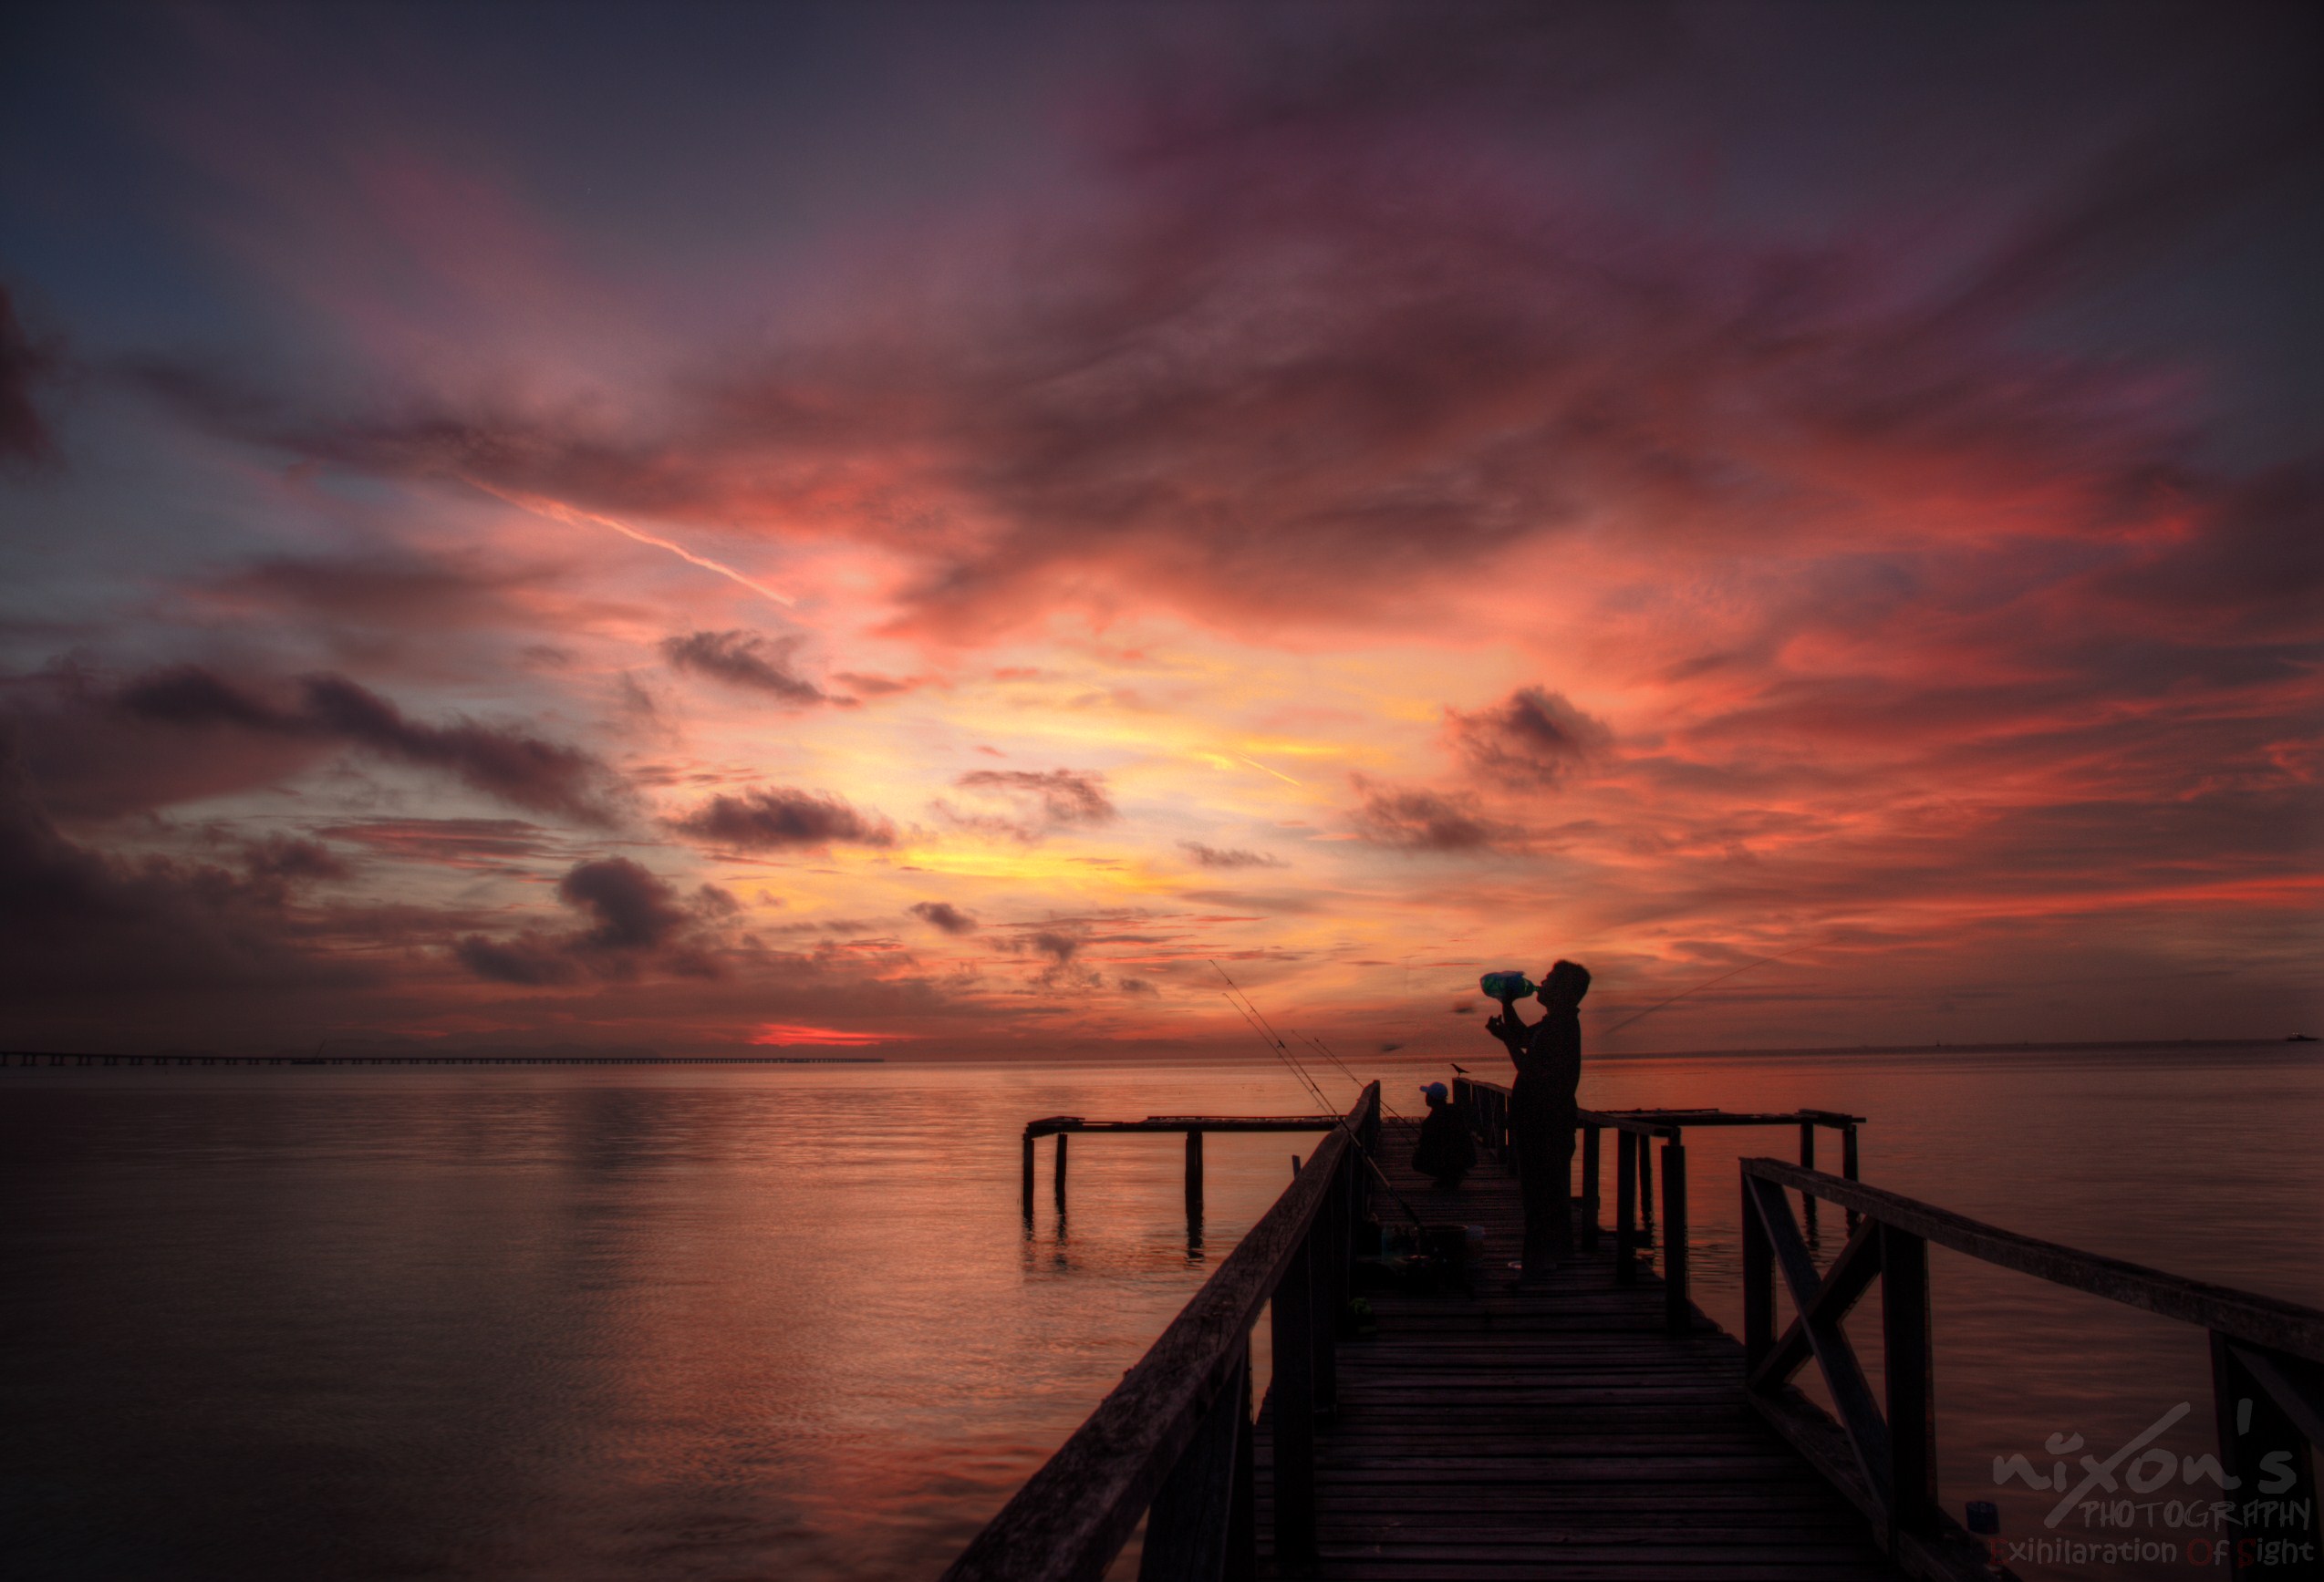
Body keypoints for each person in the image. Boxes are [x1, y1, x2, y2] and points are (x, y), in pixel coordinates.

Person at [1485, 959, 1591, 1283]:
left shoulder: (1560, 1028)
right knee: (1550, 1193)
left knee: (1539, 1194)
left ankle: (1538, 1263)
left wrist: (1507, 1041)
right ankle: (1557, 1256)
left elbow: (1530, 1068)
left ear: (1564, 991)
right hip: (1545, 1120)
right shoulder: (1554, 1023)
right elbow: (1520, 1037)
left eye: (1550, 979)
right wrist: (1507, 1004)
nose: (1541, 983)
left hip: (1546, 1121)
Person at [1410, 1081, 1476, 1189]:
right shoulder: (1455, 1111)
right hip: (1467, 1157)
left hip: (1451, 1157)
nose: (1426, 1097)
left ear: (1432, 1099)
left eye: (1428, 1095)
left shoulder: (1432, 1121)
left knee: (1418, 1160)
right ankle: (1454, 1173)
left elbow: (1425, 1144)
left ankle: (1448, 1176)